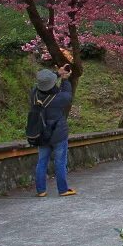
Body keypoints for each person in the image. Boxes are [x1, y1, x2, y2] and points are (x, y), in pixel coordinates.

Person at [31, 67, 77, 197]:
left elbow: (42, 85)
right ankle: (62, 189)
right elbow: (68, 95)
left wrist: (58, 73)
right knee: (60, 162)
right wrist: (65, 79)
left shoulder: (34, 94)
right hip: (58, 134)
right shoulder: (58, 98)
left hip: (41, 133)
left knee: (42, 161)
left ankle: (41, 190)